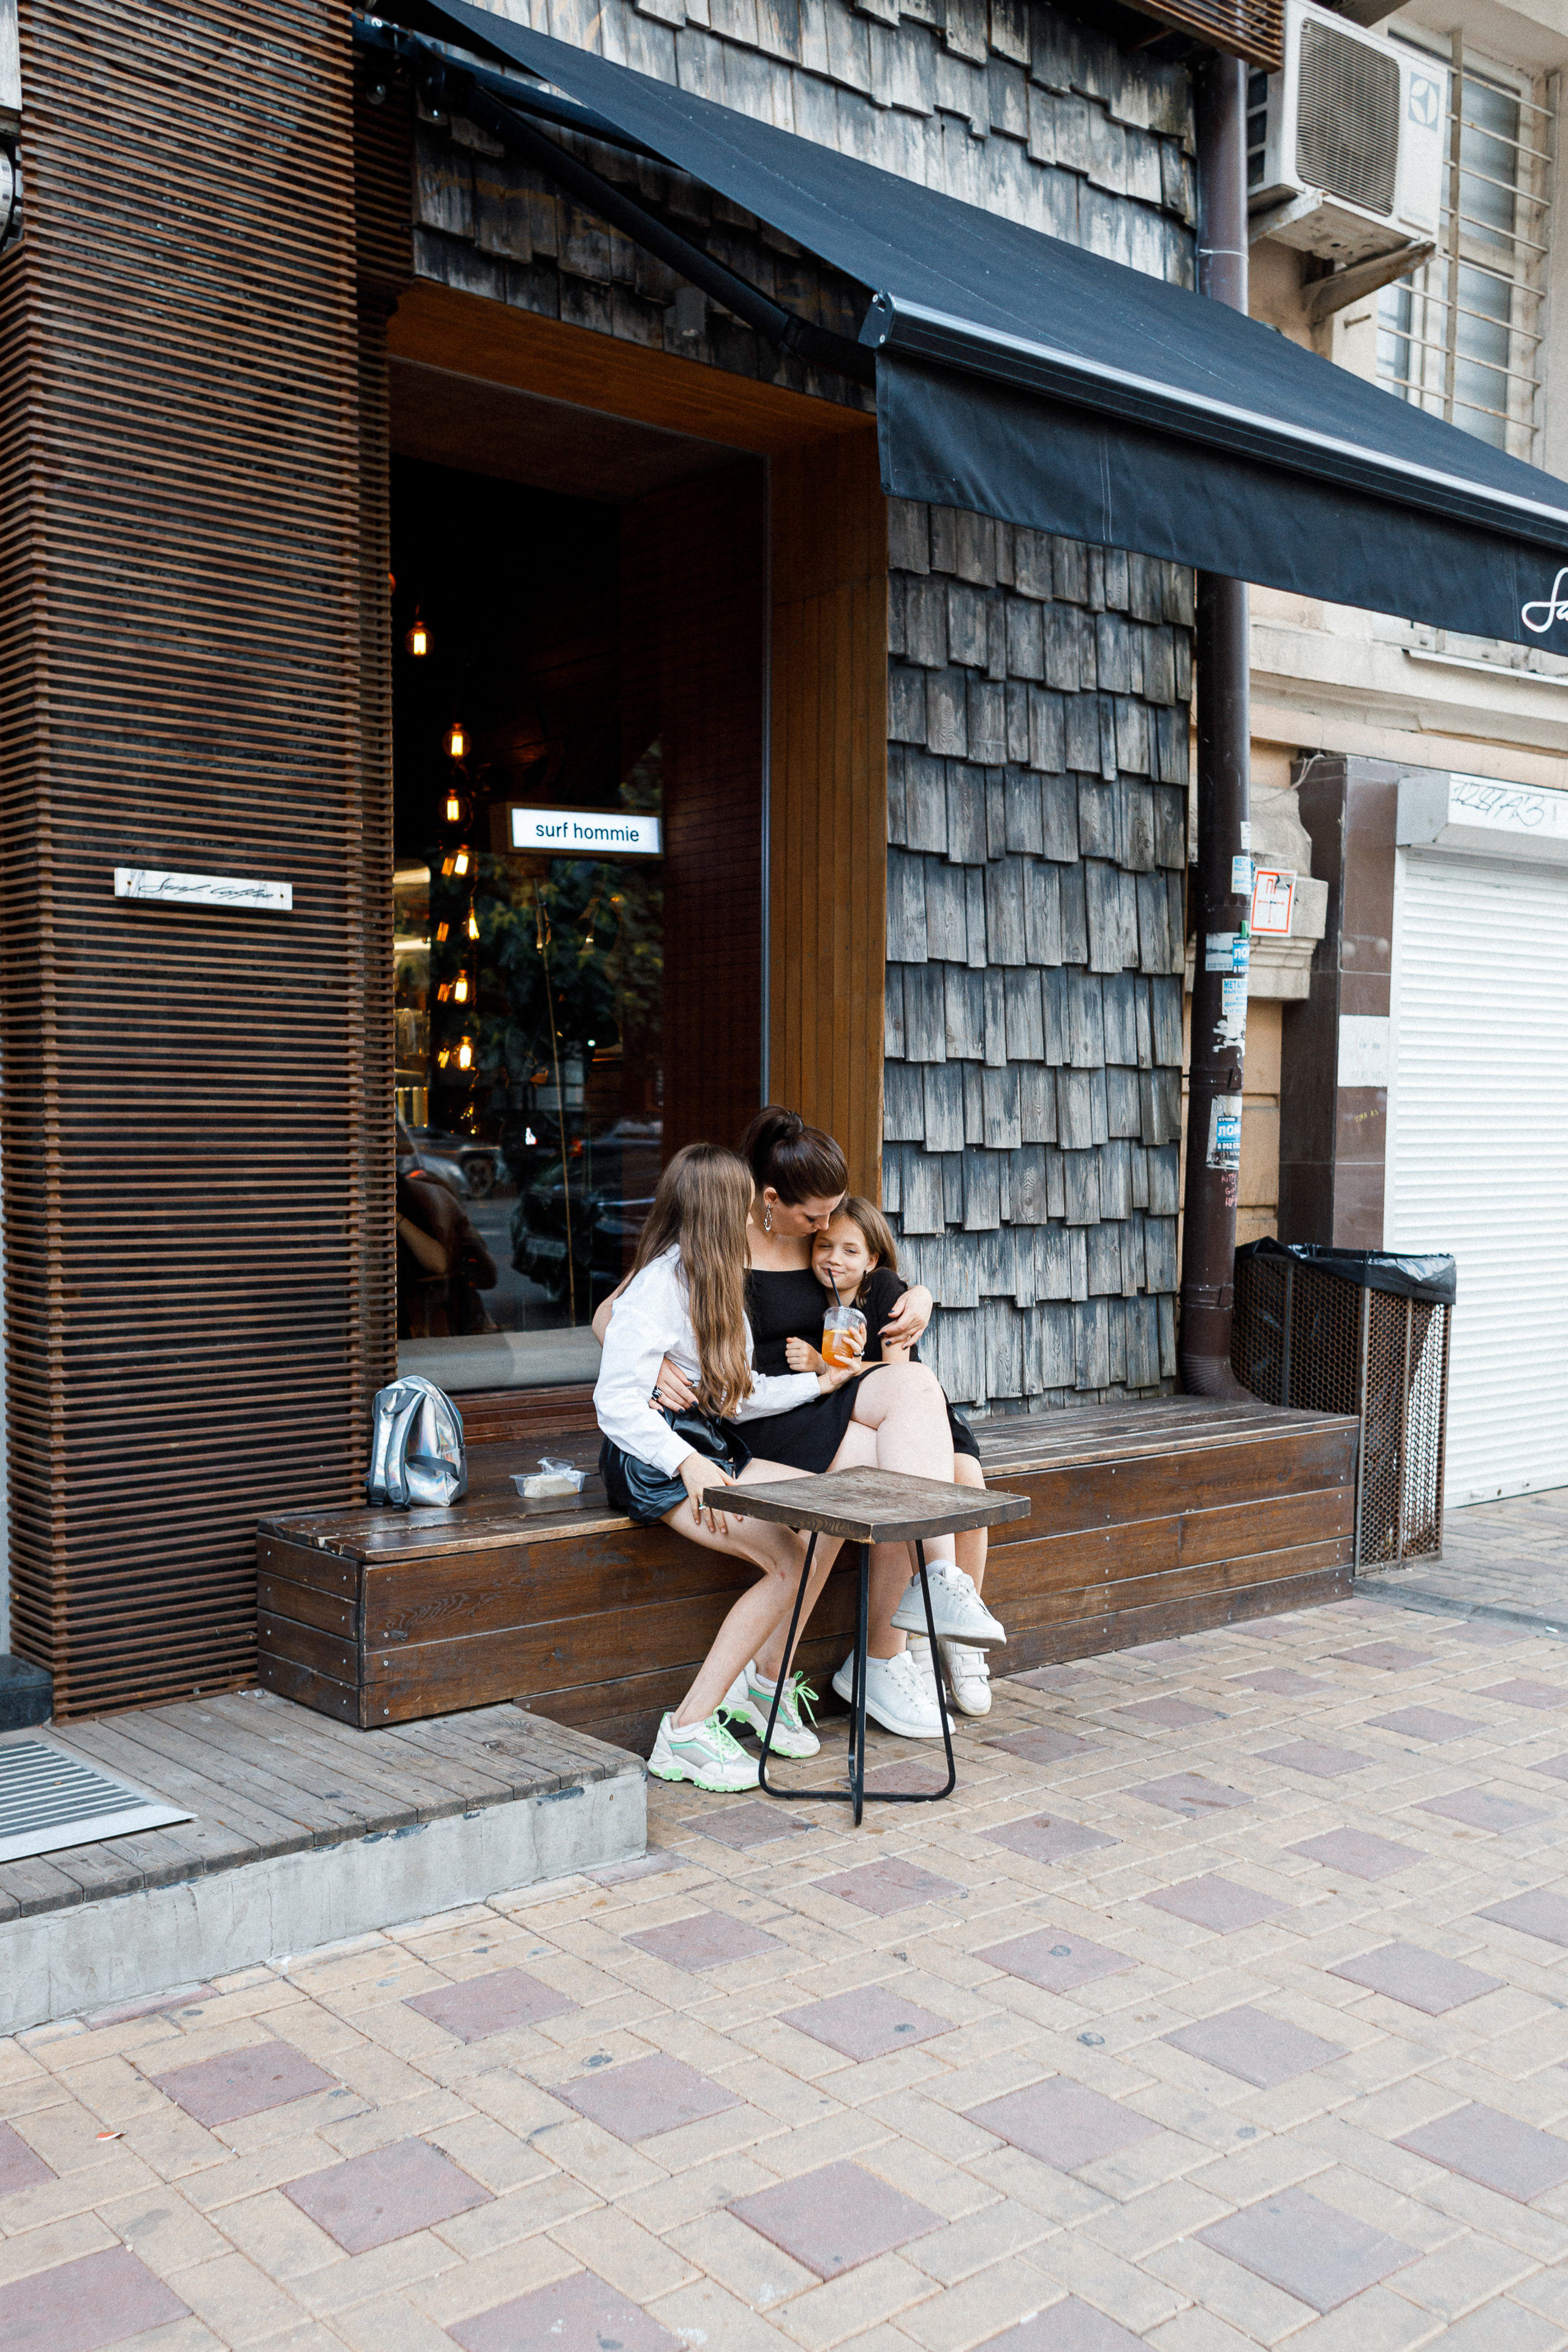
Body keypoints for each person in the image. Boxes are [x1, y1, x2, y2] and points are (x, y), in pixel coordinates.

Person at [594, 1142, 854, 1794]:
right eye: (743, 1205)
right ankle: (686, 1729)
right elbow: (616, 1403)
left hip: (703, 1446)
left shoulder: (713, 1280)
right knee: (786, 1560)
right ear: (717, 1212)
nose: (751, 1217)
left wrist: (818, 1388)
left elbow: (734, 1394)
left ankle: (759, 1690)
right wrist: (686, 1464)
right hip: (652, 1460)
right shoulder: (658, 1287)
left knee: (821, 1514)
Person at [787, 1197, 999, 1719]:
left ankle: (951, 1639)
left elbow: (895, 1373)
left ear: (873, 1259)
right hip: (866, 1418)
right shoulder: (809, 1295)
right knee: (918, 1489)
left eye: (849, 1249)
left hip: (920, 1416)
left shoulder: (883, 1291)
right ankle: (920, 1639)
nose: (834, 1258)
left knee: (967, 1476)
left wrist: (824, 1363)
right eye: (824, 1246)